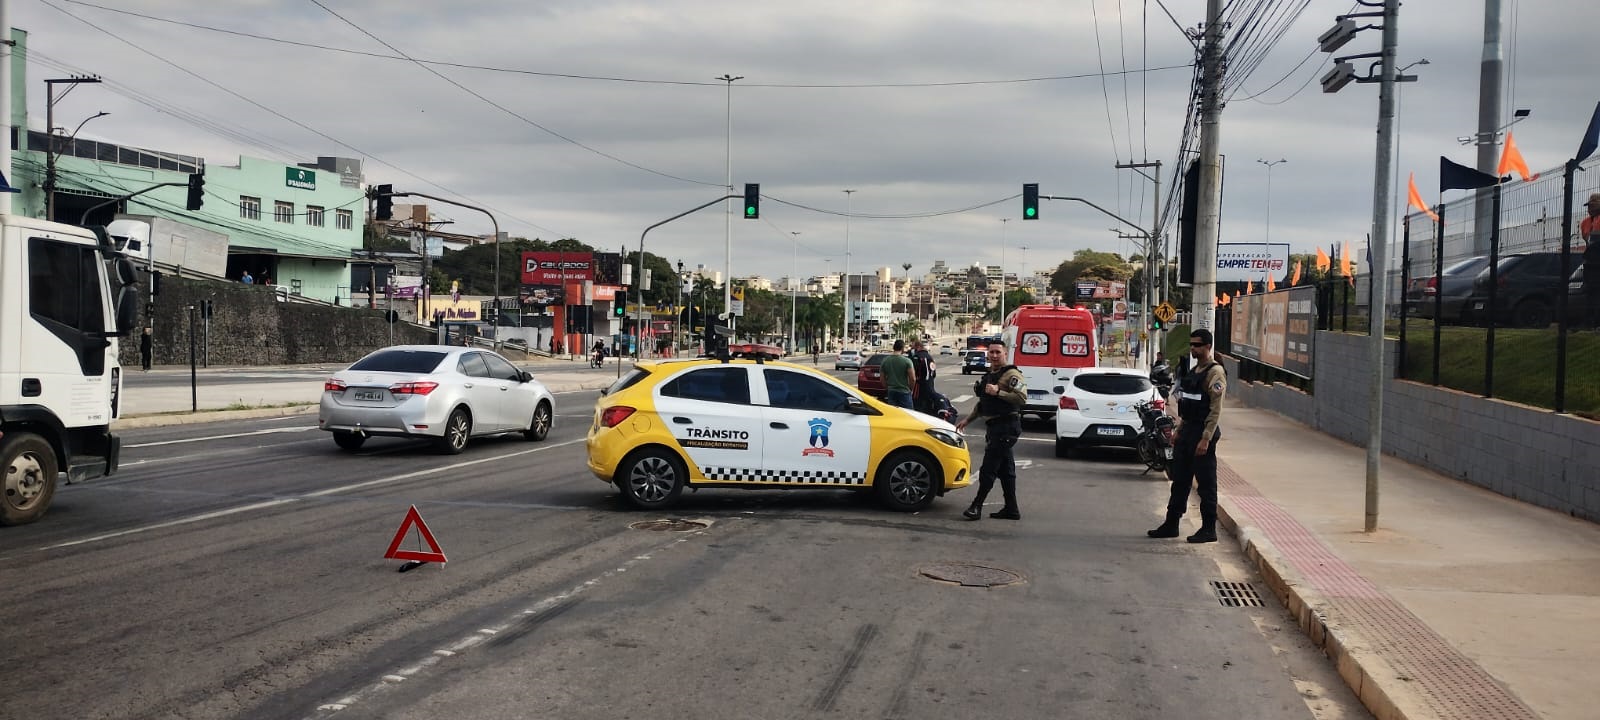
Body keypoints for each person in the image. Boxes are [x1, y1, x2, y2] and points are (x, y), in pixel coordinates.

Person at [1149, 328, 1227, 543]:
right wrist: (1178, 431)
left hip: (1202, 433)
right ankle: (1171, 523)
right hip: (1188, 431)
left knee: (1206, 484)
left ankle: (1208, 529)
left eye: (1197, 345)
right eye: (1191, 344)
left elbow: (1215, 409)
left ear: (1208, 346)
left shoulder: (1215, 373)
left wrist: (1206, 438)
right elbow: (1189, 406)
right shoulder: (1194, 371)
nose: (1193, 348)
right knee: (1180, 480)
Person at [955, 342, 1026, 520]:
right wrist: (967, 420)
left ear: (1005, 354)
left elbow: (1022, 397)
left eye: (998, 352)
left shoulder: (1011, 374)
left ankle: (976, 506)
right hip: (995, 428)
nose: (994, 355)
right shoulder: (990, 375)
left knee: (989, 468)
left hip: (1006, 427)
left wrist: (998, 393)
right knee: (1006, 470)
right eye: (991, 352)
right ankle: (1011, 509)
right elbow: (983, 404)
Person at [1581, 193, 1600, 328]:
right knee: (1590, 292)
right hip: (1590, 261)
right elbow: (1587, 239)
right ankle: (1590, 321)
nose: (1589, 208)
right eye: (1589, 206)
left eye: (1592, 205)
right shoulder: (1585, 222)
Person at [880, 339, 916, 409]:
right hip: (904, 391)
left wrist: (887, 388)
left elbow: (882, 378)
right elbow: (913, 378)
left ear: (894, 347)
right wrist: (910, 389)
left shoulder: (885, 361)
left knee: (893, 415)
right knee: (908, 415)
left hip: (891, 391)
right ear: (902, 348)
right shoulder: (907, 361)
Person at [909, 338, 937, 412]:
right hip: (930, 386)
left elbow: (912, 372)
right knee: (928, 408)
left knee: (917, 408)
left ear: (917, 347)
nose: (912, 350)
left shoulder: (917, 357)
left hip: (919, 387)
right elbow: (934, 373)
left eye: (913, 348)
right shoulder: (930, 357)